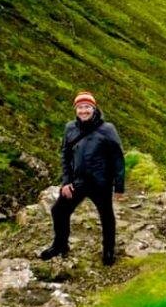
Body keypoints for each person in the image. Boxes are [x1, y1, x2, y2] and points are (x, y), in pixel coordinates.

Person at [39, 91, 126, 265]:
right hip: (78, 182)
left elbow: (118, 158)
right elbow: (65, 155)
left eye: (87, 107)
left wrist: (119, 187)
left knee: (106, 216)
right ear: (75, 109)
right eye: (80, 107)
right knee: (58, 211)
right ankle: (60, 245)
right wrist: (66, 182)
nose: (83, 111)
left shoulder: (107, 129)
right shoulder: (70, 128)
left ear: (94, 108)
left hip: (101, 183)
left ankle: (108, 251)